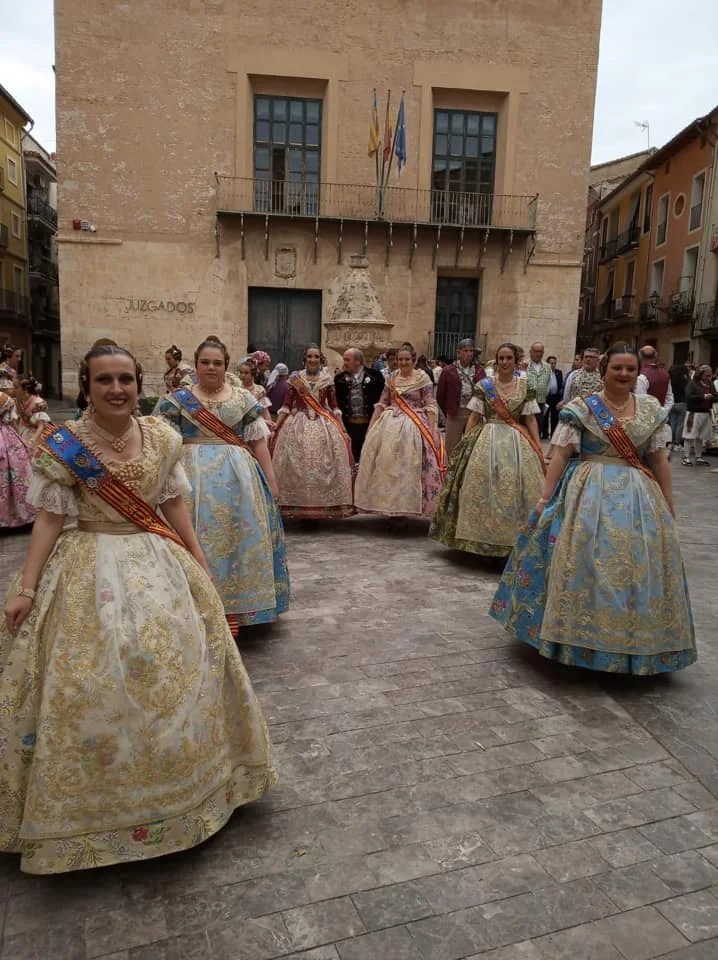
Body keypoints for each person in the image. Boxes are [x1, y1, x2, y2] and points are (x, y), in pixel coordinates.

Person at [0, 343, 276, 874]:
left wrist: (199, 566)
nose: (117, 389)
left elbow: (174, 506)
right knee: (89, 681)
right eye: (104, 380)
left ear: (138, 382)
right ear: (87, 385)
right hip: (86, 564)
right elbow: (50, 519)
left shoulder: (162, 436)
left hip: (158, 562)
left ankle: (183, 793)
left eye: (125, 378)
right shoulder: (65, 445)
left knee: (173, 674)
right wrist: (28, 587)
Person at [490, 342, 696, 675]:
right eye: (617, 368)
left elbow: (658, 459)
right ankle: (574, 638)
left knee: (634, 565)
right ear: (604, 371)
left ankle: (631, 641)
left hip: (638, 498)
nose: (624, 374)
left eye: (630, 369)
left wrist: (668, 501)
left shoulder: (649, 409)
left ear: (637, 373)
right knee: (583, 560)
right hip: (586, 495)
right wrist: (544, 499)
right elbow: (560, 455)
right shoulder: (582, 408)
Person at [157, 335, 289, 632]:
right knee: (195, 539)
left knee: (238, 539)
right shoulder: (177, 401)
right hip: (190, 481)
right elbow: (161, 445)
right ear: (197, 364)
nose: (211, 367)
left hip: (239, 481)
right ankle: (196, 605)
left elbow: (257, 441)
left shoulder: (243, 399)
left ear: (226, 365)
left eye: (217, 362)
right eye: (205, 362)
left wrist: (270, 479)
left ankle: (241, 608)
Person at [430, 342, 544, 557]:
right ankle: (478, 538)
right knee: (482, 485)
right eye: (501, 358)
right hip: (487, 437)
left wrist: (537, 446)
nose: (504, 362)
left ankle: (513, 540)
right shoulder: (485, 385)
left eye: (509, 358)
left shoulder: (525, 386)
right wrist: (466, 442)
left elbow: (530, 418)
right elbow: (474, 415)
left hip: (516, 440)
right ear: (496, 360)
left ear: (515, 360)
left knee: (516, 488)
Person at [354, 344, 443, 518]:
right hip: (389, 423)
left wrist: (432, 430)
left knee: (410, 465)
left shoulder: (422, 378)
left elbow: (430, 404)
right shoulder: (391, 378)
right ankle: (390, 508)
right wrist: (371, 429)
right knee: (387, 464)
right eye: (400, 359)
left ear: (414, 360)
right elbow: (382, 402)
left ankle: (408, 507)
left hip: (415, 424)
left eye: (407, 359)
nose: (403, 362)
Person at [271, 344, 355, 519]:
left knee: (325, 463)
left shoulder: (327, 379)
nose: (313, 360)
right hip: (297, 424)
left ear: (321, 359)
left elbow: (334, 406)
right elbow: (286, 405)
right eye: (310, 356)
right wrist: (276, 426)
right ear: (305, 358)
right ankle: (296, 505)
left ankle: (322, 506)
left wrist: (342, 429)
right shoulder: (295, 378)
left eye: (316, 357)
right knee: (294, 464)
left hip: (323, 423)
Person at [333, 347, 385, 462]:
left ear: (358, 361)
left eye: (347, 360)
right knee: (349, 458)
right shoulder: (339, 379)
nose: (344, 363)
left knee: (369, 458)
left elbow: (383, 400)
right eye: (344, 360)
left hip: (370, 425)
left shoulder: (375, 376)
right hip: (348, 425)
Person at [437, 338, 486, 457]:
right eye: (466, 350)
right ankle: (452, 472)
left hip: (474, 413)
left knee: (473, 446)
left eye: (471, 351)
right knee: (452, 448)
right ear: (458, 352)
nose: (469, 353)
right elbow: (440, 395)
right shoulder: (448, 371)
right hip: (455, 413)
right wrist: (449, 410)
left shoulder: (479, 371)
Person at [0, 389, 35, 528]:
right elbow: (13, 421)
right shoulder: (5, 399)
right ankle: (20, 514)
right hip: (7, 437)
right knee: (18, 472)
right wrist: (21, 438)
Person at [682, 364, 718, 466]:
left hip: (705, 412)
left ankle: (698, 456)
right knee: (689, 436)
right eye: (706, 375)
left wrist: (712, 397)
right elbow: (688, 396)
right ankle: (686, 457)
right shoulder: (692, 384)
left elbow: (715, 395)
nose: (708, 378)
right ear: (700, 374)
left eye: (710, 375)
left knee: (701, 437)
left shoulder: (710, 384)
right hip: (694, 413)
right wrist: (703, 396)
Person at [15, 375, 52, 450]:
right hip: (23, 430)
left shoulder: (37, 403)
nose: (13, 390)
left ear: (25, 390)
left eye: (16, 387)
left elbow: (40, 426)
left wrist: (33, 440)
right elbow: (19, 417)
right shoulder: (19, 400)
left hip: (35, 435)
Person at [525, 341, 552, 437]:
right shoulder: (524, 365)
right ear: (531, 352)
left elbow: (549, 384)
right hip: (525, 403)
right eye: (536, 351)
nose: (539, 354)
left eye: (541, 352)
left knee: (537, 430)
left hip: (540, 403)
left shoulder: (548, 367)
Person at [237, 358, 274, 427]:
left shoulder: (260, 390)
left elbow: (265, 410)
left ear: (253, 374)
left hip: (256, 427)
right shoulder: (236, 389)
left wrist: (270, 425)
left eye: (246, 373)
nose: (242, 375)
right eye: (241, 372)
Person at [668, 362, 690, 452]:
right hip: (682, 403)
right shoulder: (685, 380)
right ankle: (677, 444)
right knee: (680, 425)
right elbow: (687, 392)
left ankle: (670, 443)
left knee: (672, 424)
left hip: (672, 403)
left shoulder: (670, 379)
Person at [545, 355, 564, 438]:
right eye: (551, 363)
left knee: (555, 417)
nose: (553, 365)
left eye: (554, 363)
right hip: (546, 397)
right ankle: (545, 434)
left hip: (555, 397)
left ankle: (553, 434)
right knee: (545, 416)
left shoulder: (558, 372)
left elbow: (561, 384)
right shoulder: (544, 373)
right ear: (547, 364)